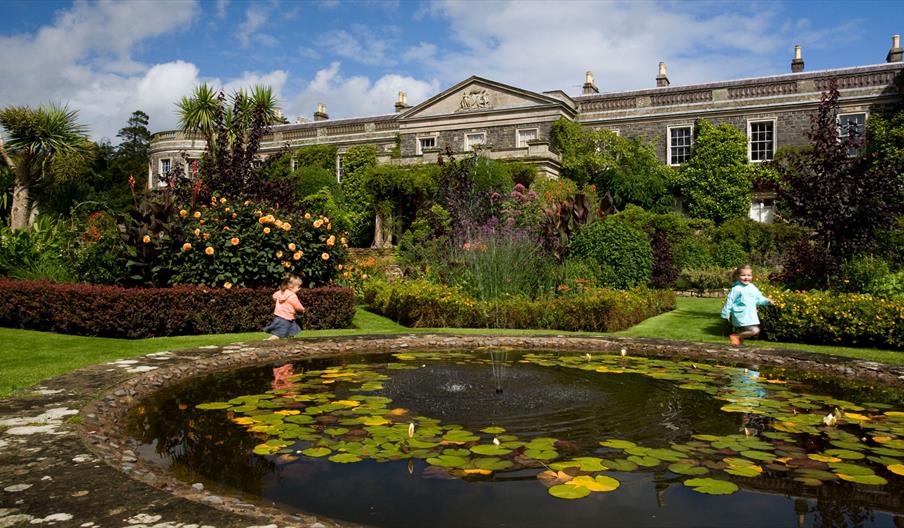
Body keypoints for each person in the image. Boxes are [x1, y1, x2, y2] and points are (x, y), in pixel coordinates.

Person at [720, 264, 771, 345]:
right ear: (737, 276)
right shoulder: (736, 289)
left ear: (752, 276)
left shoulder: (753, 287)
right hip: (741, 315)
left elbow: (759, 298)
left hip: (750, 315)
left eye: (749, 275)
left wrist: (767, 301)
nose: (746, 277)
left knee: (744, 335)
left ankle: (737, 347)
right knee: (755, 330)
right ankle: (736, 336)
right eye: (743, 275)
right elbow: (729, 301)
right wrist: (725, 314)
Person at [263, 274, 305, 340]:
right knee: (279, 334)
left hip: (280, 317)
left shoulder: (280, 293)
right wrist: (302, 309)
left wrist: (283, 292)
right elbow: (297, 306)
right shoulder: (292, 296)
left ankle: (287, 343)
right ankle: (268, 341)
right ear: (292, 287)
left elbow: (274, 296)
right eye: (298, 287)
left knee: (291, 331)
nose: (299, 288)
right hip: (286, 318)